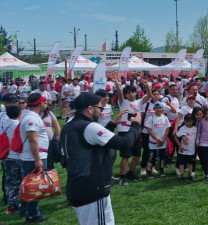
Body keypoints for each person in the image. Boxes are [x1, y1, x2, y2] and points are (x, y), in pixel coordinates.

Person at [61, 93, 142, 225]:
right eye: (100, 108)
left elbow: (91, 141)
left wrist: (112, 124)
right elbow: (124, 144)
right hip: (93, 188)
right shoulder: (89, 127)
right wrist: (136, 125)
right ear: (90, 108)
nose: (101, 112)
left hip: (77, 185)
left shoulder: (68, 126)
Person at [18, 93, 51, 222]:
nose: (46, 103)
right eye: (44, 101)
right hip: (33, 158)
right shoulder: (31, 118)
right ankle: (32, 214)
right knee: (34, 187)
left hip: (33, 157)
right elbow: (32, 140)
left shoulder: (31, 116)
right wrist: (37, 159)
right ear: (39, 102)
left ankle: (27, 211)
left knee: (30, 186)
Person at [1, 105, 22, 215]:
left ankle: (10, 204)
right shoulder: (16, 124)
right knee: (17, 182)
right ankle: (15, 205)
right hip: (15, 156)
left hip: (6, 156)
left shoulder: (4, 122)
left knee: (9, 181)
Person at [144, 102, 171, 179]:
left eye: (160, 108)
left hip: (163, 142)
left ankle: (162, 171)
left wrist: (163, 139)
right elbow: (149, 131)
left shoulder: (165, 118)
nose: (159, 109)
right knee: (151, 157)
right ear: (154, 109)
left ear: (162, 109)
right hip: (153, 142)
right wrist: (158, 139)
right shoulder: (151, 118)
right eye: (157, 108)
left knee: (162, 157)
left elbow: (167, 130)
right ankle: (148, 172)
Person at [176, 114, 197, 183]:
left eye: (190, 121)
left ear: (193, 121)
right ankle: (182, 176)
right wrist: (180, 145)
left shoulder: (195, 129)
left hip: (191, 150)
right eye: (186, 121)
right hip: (183, 151)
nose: (188, 123)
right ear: (184, 121)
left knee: (190, 163)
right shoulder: (182, 128)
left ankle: (190, 175)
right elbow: (175, 137)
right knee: (181, 164)